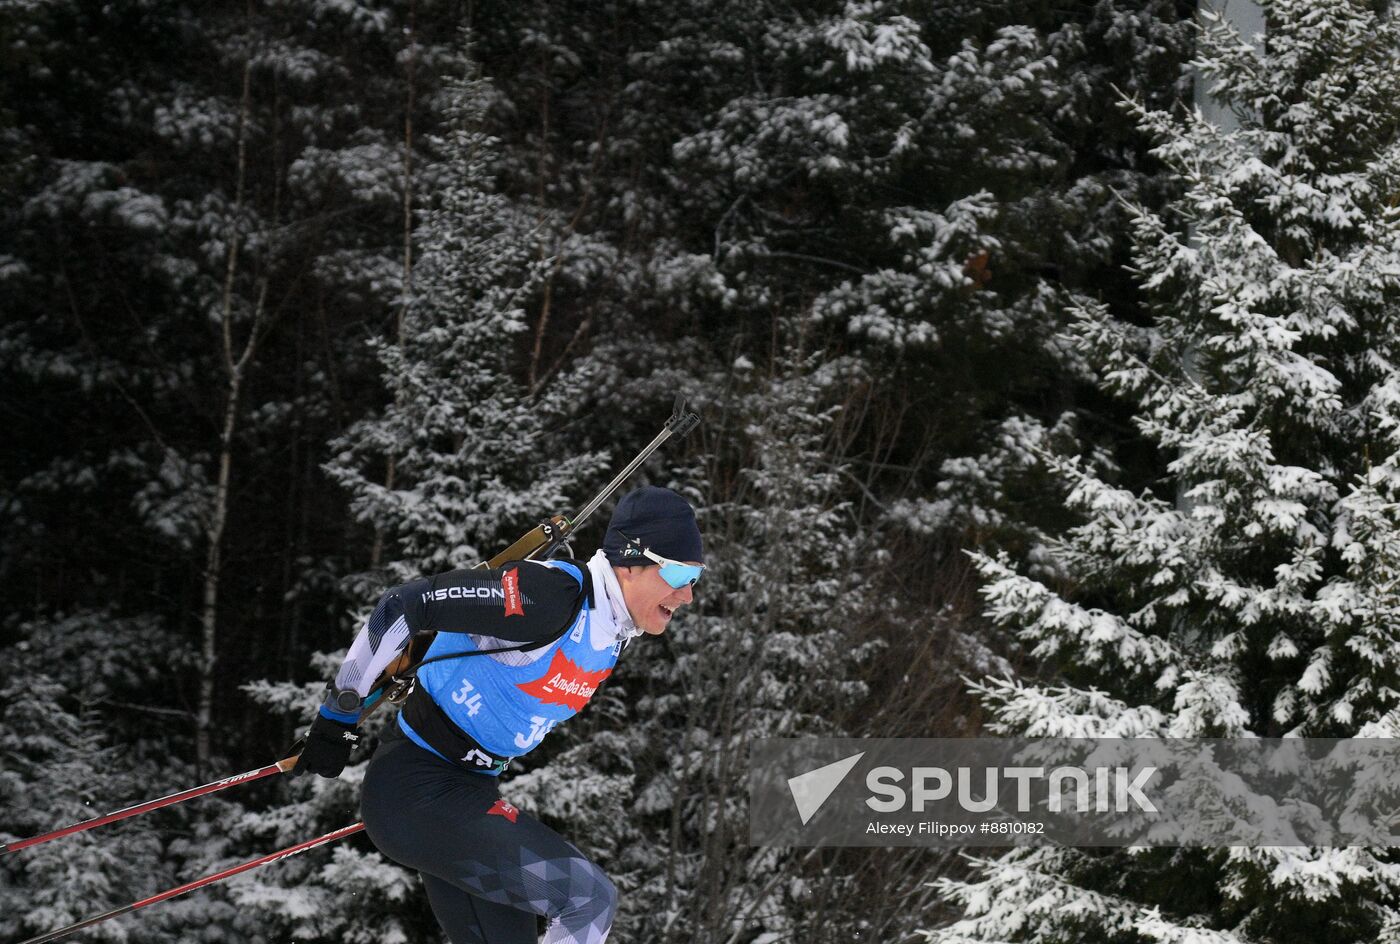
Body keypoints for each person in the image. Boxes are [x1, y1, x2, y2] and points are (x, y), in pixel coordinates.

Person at [291, 485, 704, 944]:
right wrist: (337, 714)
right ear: (629, 562)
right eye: (680, 572)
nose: (688, 595)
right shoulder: (548, 596)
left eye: (696, 577)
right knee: (588, 902)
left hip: (465, 795)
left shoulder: (610, 628)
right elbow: (405, 605)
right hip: (415, 790)